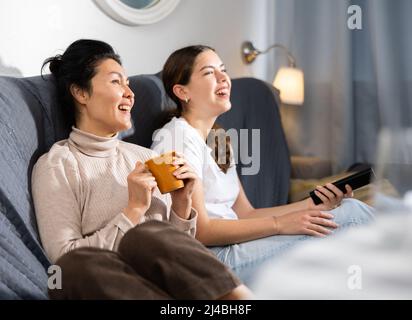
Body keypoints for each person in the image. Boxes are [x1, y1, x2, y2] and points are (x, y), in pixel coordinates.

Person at [31, 39, 250, 299]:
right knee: (70, 269)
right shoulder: (58, 164)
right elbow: (63, 259)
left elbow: (179, 254)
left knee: (147, 237)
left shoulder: (145, 158)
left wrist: (181, 205)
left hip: (175, 287)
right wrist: (133, 210)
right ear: (80, 93)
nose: (130, 94)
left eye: (128, 84)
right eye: (116, 82)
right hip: (116, 285)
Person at [151, 45, 375, 285]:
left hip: (239, 246)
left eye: (223, 70)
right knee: (353, 216)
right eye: (208, 73)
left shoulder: (218, 139)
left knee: (346, 206)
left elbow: (246, 213)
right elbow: (199, 231)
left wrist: (310, 205)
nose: (223, 77)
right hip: (213, 259)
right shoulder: (175, 140)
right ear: (182, 91)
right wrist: (279, 225)